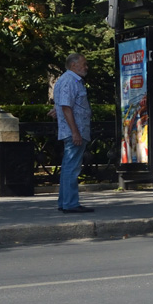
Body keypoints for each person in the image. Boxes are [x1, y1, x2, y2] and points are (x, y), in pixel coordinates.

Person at [52, 53, 92, 214]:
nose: (86, 67)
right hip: (75, 131)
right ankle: (70, 203)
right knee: (71, 168)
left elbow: (65, 105)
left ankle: (65, 202)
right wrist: (75, 132)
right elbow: (66, 106)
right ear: (74, 65)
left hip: (74, 130)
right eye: (84, 64)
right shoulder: (70, 81)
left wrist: (57, 111)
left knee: (69, 167)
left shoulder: (67, 80)